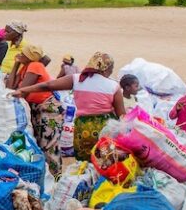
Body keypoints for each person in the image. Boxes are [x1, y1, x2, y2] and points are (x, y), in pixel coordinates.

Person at [12, 51, 125, 161]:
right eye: (111, 68)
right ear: (105, 68)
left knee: (84, 163)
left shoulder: (77, 79)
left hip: (82, 128)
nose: (112, 71)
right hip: (105, 130)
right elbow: (122, 115)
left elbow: (48, 85)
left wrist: (23, 90)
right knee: (105, 160)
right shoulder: (113, 86)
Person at [7, 44, 64, 177]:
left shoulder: (35, 66)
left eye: (23, 53)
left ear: (29, 56)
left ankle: (56, 178)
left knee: (49, 145)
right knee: (39, 144)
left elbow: (22, 91)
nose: (19, 54)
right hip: (37, 110)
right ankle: (47, 177)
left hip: (48, 111)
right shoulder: (25, 68)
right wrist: (16, 65)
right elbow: (11, 86)